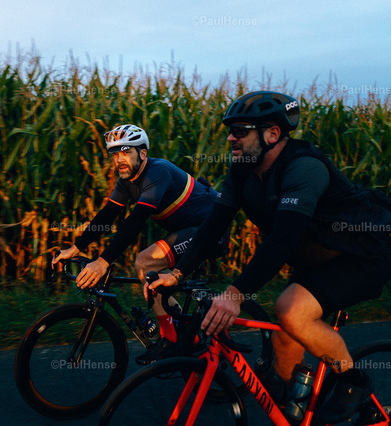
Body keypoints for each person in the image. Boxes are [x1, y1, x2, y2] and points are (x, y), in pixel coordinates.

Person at [148, 91, 391, 423]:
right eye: (230, 131)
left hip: (362, 253)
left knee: (291, 311)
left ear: (272, 134)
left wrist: (235, 294)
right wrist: (177, 273)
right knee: (284, 341)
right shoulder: (242, 169)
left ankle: (354, 382)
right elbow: (213, 225)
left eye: (240, 131)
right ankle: (297, 414)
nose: (230, 138)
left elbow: (281, 241)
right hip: (314, 260)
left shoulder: (305, 168)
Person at [52, 124, 227, 365]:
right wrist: (76, 247)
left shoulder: (158, 172)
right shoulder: (127, 180)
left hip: (211, 230)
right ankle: (182, 331)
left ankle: (171, 340)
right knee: (149, 271)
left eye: (126, 152)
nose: (119, 160)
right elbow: (108, 214)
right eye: (115, 154)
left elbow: (135, 221)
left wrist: (103, 262)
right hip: (187, 231)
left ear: (143, 154)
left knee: (145, 262)